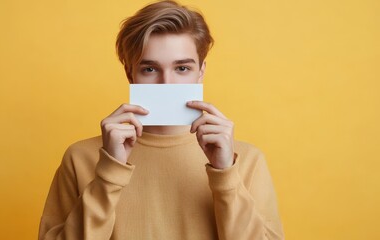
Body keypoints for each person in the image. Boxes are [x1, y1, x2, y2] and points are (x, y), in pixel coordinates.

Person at [38, 1, 284, 239]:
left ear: (201, 71)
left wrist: (226, 176)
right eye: (150, 69)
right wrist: (109, 173)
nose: (167, 82)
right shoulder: (81, 158)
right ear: (129, 73)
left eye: (182, 68)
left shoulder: (246, 161)